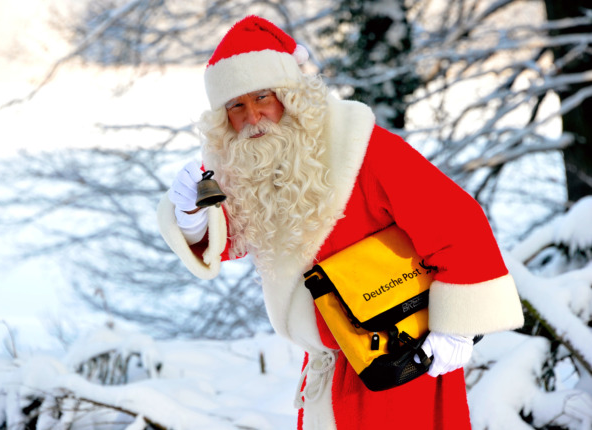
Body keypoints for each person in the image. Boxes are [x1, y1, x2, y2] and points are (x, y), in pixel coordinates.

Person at [157, 15, 524, 430]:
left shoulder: (363, 148)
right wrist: (190, 217)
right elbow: (231, 236)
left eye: (263, 96)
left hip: (401, 358)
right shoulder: (251, 163)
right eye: (236, 105)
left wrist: (458, 326)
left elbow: (456, 220)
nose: (253, 115)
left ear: (290, 96)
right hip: (331, 372)